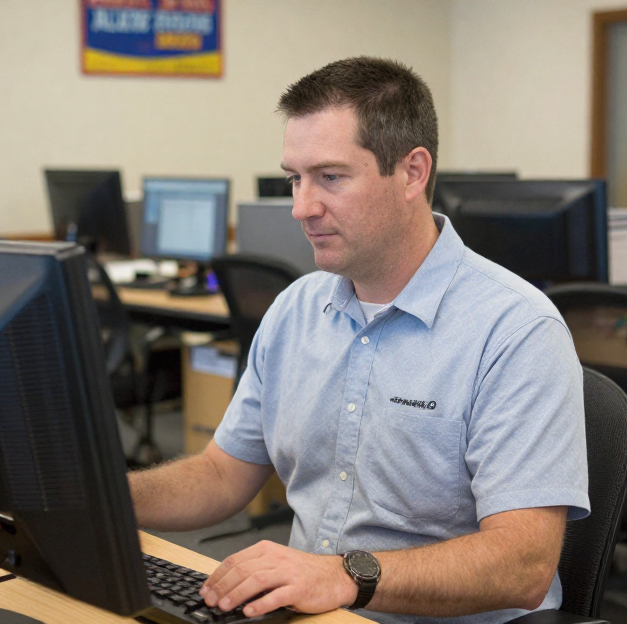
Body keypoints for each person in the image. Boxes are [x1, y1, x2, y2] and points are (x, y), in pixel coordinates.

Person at [128, 56, 589, 624]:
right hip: (312, 613)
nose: (301, 207)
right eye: (295, 178)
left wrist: (343, 576)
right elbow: (222, 476)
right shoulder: (295, 309)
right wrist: (101, 497)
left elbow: (523, 566)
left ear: (412, 173)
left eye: (330, 177)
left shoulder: (515, 331)